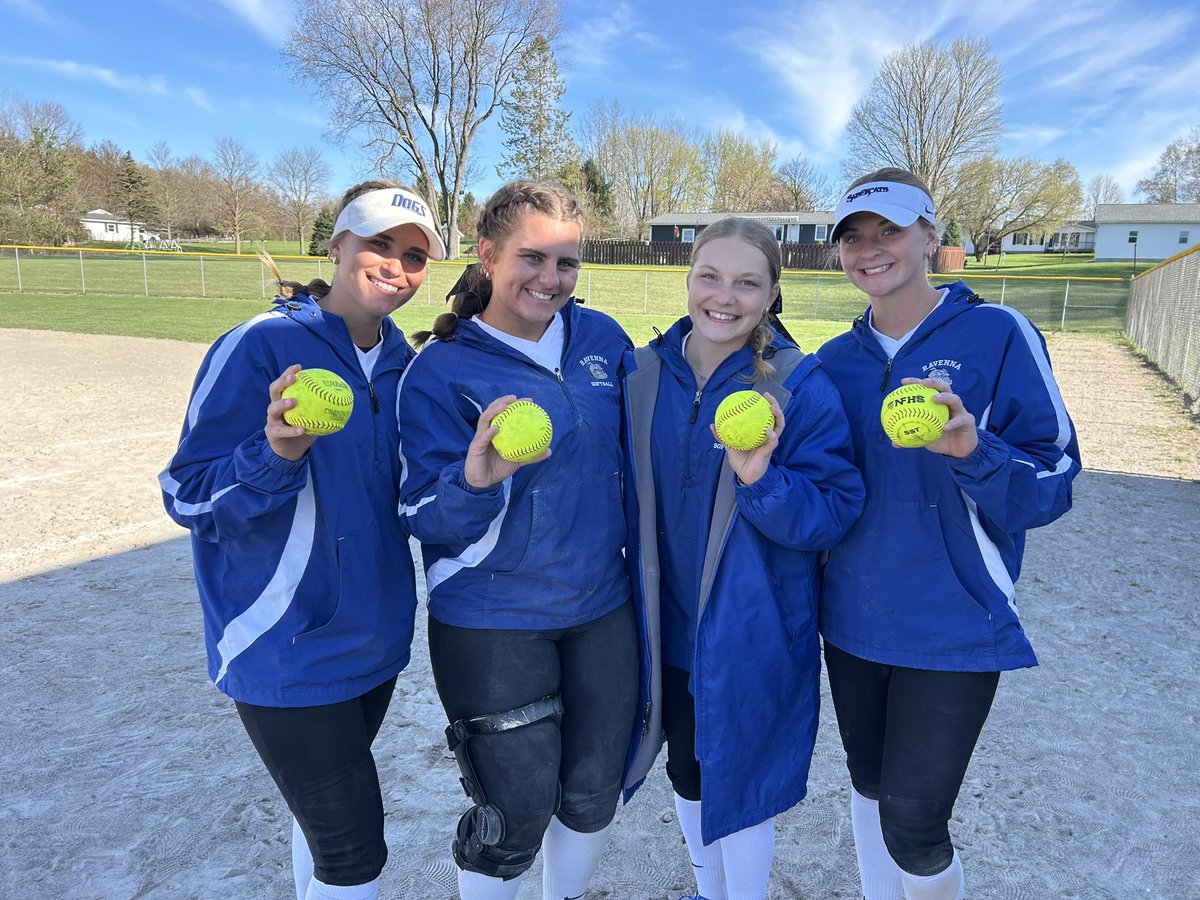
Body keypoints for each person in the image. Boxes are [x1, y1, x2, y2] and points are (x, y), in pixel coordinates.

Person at [159, 180, 446, 900]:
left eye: (414, 255)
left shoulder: (407, 369)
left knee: (318, 828)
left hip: (374, 643)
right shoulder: (263, 344)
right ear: (337, 244)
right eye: (378, 243)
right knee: (354, 851)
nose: (395, 265)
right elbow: (186, 491)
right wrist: (275, 454)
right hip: (281, 642)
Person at [815, 168, 1081, 900]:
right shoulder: (832, 363)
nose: (871, 250)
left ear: (932, 236)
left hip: (956, 620)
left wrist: (975, 451)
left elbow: (1054, 482)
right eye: (854, 238)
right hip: (853, 619)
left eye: (890, 231)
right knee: (869, 792)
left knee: (914, 821)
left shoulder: (998, 334)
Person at [395, 180, 637, 900]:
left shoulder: (604, 341)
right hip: (492, 620)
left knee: (595, 794)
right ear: (488, 254)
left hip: (601, 606)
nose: (550, 279)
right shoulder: (440, 370)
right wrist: (474, 478)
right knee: (515, 815)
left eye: (567, 263)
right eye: (532, 258)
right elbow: (421, 515)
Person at [621, 217, 865, 900]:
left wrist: (762, 479)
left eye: (747, 283)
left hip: (751, 628)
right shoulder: (641, 375)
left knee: (743, 783)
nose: (723, 297)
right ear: (688, 278)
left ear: (772, 293)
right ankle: (708, 890)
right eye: (710, 276)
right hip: (664, 625)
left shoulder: (798, 383)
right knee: (689, 774)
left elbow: (835, 510)